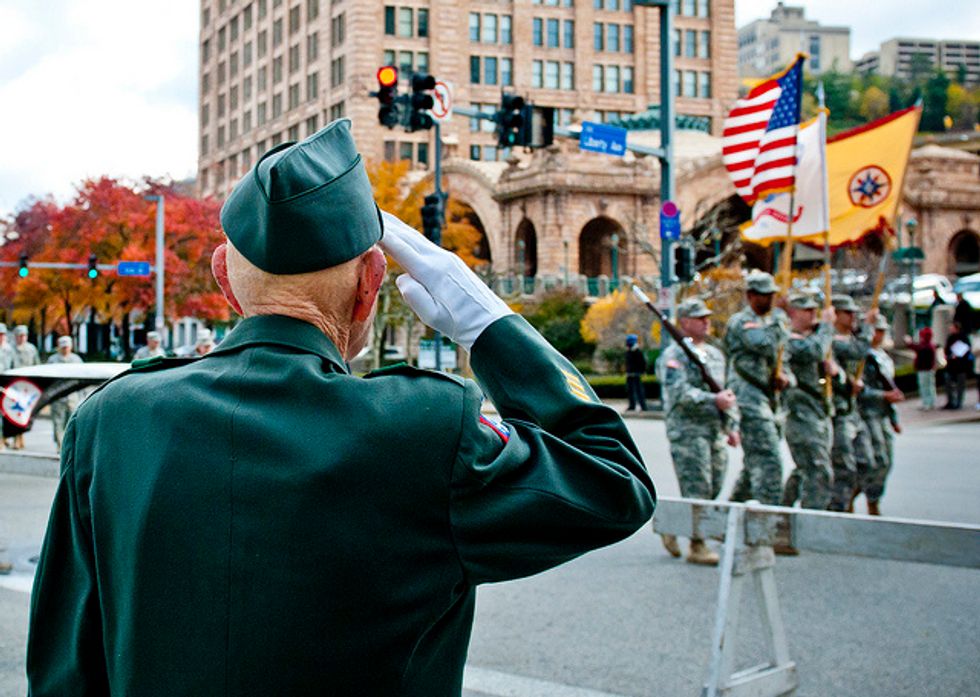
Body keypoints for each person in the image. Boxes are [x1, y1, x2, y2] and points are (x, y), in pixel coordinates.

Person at [27, 119, 656, 696]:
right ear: (370, 284)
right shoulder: (427, 429)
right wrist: (488, 324)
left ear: (224, 278)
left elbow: (65, 674)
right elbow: (614, 484)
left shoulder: (111, 421)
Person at [656, 298, 739, 565]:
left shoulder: (715, 355)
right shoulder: (673, 356)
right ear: (684, 322)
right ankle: (697, 544)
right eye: (699, 317)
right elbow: (678, 393)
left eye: (707, 317)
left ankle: (672, 524)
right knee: (697, 487)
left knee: (715, 484)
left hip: (713, 430)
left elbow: (723, 390)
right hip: (687, 431)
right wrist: (712, 401)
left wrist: (731, 425)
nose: (706, 322)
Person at [725, 270, 789, 505]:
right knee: (769, 461)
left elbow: (780, 355)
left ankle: (731, 515)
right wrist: (781, 318)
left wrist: (784, 377)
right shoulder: (742, 322)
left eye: (772, 294)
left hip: (768, 399)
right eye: (764, 295)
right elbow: (763, 343)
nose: (770, 300)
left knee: (755, 464)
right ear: (751, 295)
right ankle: (769, 523)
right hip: (748, 399)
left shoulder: (769, 323)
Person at [780, 293, 836, 513]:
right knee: (818, 470)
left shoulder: (815, 337)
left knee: (805, 468)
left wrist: (835, 372)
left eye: (815, 309)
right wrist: (828, 326)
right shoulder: (789, 339)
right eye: (807, 310)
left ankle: (781, 514)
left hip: (819, 411)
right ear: (793, 313)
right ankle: (810, 522)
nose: (814, 314)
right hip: (800, 413)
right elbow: (814, 351)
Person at [828, 294, 875, 512]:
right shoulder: (831, 340)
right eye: (848, 312)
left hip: (853, 410)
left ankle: (848, 501)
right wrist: (868, 327)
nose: (853, 316)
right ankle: (838, 507)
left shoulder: (853, 338)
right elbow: (859, 351)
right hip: (837, 411)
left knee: (868, 464)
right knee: (843, 467)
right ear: (835, 314)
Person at [854, 315, 904, 516]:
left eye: (883, 331)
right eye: (876, 330)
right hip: (866, 415)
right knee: (874, 461)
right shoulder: (862, 356)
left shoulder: (883, 357)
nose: (880, 335)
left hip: (882, 414)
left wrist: (894, 419)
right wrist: (883, 395)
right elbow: (859, 390)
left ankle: (871, 497)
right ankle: (863, 497)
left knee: (886, 461)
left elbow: (888, 386)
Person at [45, 335, 83, 453]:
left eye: (67, 347)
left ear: (71, 347)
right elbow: (47, 379)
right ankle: (61, 446)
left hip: (72, 397)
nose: (65, 349)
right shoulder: (53, 360)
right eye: (63, 347)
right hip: (58, 396)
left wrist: (82, 395)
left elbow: (82, 379)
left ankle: (71, 446)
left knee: (71, 422)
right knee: (58, 422)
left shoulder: (77, 360)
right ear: (59, 347)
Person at [11, 325, 40, 450]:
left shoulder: (31, 349)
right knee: (13, 412)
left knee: (24, 414)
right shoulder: (10, 350)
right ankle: (16, 438)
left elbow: (37, 366)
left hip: (28, 386)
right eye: (19, 336)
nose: (22, 338)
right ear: (15, 337)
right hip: (13, 385)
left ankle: (21, 437)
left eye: (24, 335)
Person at [905, 327, 938, 410]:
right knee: (930, 387)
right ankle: (931, 403)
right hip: (929, 369)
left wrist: (909, 342)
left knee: (925, 387)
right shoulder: (930, 345)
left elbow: (916, 348)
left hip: (924, 370)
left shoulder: (925, 346)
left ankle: (927, 404)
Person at [943, 321, 972, 410]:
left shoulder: (964, 337)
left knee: (960, 385)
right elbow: (946, 349)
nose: (950, 329)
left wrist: (959, 355)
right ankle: (950, 401)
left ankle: (959, 402)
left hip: (961, 366)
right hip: (951, 365)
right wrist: (948, 355)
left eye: (952, 327)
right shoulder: (950, 337)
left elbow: (967, 349)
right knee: (948, 383)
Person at [624, 333, 648, 411]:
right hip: (630, 374)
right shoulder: (628, 352)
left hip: (636, 374)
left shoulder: (637, 352)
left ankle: (643, 406)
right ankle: (632, 406)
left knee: (639, 391)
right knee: (630, 391)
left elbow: (643, 363)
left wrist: (643, 371)